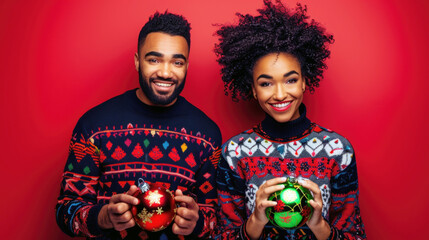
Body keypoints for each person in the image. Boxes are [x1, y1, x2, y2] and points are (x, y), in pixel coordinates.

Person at [56, 11, 222, 240]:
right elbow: (65, 211)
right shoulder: (94, 126)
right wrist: (102, 217)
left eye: (177, 62)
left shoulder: (207, 135)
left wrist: (198, 222)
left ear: (186, 65)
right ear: (137, 61)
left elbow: (216, 221)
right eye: (154, 59)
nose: (165, 72)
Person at [214, 1, 366, 239]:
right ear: (253, 89)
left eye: (290, 80)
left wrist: (320, 226)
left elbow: (355, 235)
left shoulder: (338, 150)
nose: (280, 94)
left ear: (305, 81)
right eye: (266, 83)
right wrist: (254, 221)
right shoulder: (235, 152)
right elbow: (221, 235)